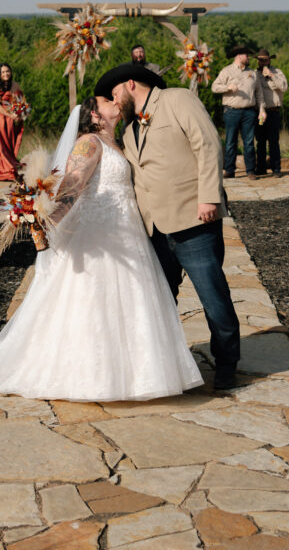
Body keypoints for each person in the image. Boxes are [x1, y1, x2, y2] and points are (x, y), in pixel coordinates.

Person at [0, 97, 202, 399]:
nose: (114, 101)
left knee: (131, 302)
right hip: (100, 236)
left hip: (127, 233)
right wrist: (45, 215)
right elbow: (72, 186)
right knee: (93, 301)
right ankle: (93, 375)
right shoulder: (89, 142)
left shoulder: (119, 142)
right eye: (106, 100)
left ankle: (135, 375)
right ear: (95, 115)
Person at [96, 62, 240, 391]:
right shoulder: (128, 128)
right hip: (153, 229)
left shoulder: (177, 99)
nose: (114, 100)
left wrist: (209, 197)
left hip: (194, 220)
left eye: (115, 92)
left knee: (214, 298)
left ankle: (228, 362)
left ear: (130, 83)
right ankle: (162, 364)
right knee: (159, 301)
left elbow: (208, 145)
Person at [212, 45, 264, 181]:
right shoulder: (226, 71)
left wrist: (262, 109)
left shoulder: (253, 73)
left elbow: (259, 93)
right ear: (239, 56)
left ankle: (250, 171)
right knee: (230, 142)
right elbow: (214, 87)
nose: (248, 58)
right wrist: (228, 87)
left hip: (249, 112)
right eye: (246, 55)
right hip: (231, 111)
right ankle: (229, 170)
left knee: (249, 142)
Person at [0, 63, 24, 182]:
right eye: (3, 72)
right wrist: (9, 114)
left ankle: (8, 168)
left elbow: (21, 101)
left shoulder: (15, 85)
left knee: (9, 143)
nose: (6, 74)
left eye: (7, 71)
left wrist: (19, 114)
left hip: (12, 118)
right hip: (0, 117)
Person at [254, 48, 287, 177]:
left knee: (273, 141)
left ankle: (276, 168)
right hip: (259, 112)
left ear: (269, 60)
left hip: (273, 110)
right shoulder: (254, 74)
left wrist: (272, 76)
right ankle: (261, 168)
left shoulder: (277, 72)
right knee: (260, 142)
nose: (263, 62)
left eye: (265, 60)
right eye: (260, 60)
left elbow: (284, 87)